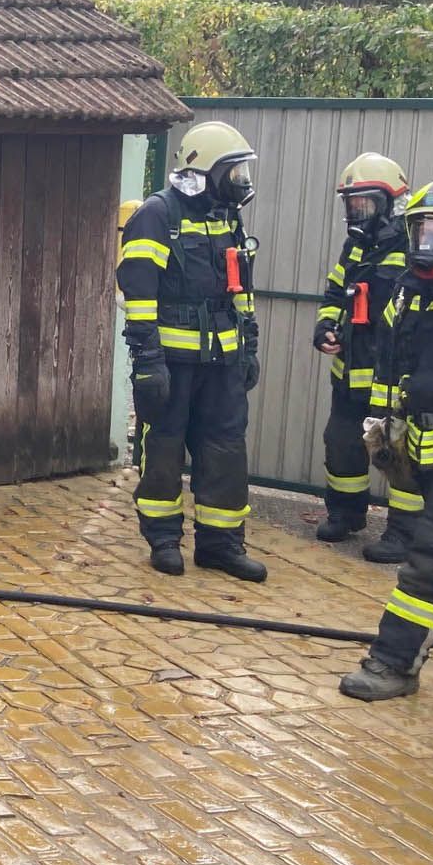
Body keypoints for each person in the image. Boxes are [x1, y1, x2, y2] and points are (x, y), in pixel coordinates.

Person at [117, 121, 266, 582]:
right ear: (203, 170)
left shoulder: (227, 218)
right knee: (162, 447)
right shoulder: (157, 215)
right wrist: (148, 360)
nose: (240, 183)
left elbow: (241, 289)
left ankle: (220, 544)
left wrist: (250, 343)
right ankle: (163, 539)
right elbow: (138, 291)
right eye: (233, 172)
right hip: (172, 363)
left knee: (225, 448)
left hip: (223, 363)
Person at [340, 177, 433, 701]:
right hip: (429, 456)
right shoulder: (408, 296)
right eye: (424, 230)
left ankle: (393, 663)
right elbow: (392, 370)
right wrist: (384, 427)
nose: (430, 243)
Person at [314, 153, 415, 555]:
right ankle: (346, 514)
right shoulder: (354, 248)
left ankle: (404, 532)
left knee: (401, 452)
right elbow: (334, 295)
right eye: (351, 203)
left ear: (391, 202)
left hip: (392, 377)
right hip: (350, 373)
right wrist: (324, 329)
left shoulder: (411, 246)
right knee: (341, 442)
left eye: (365, 203)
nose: (356, 211)